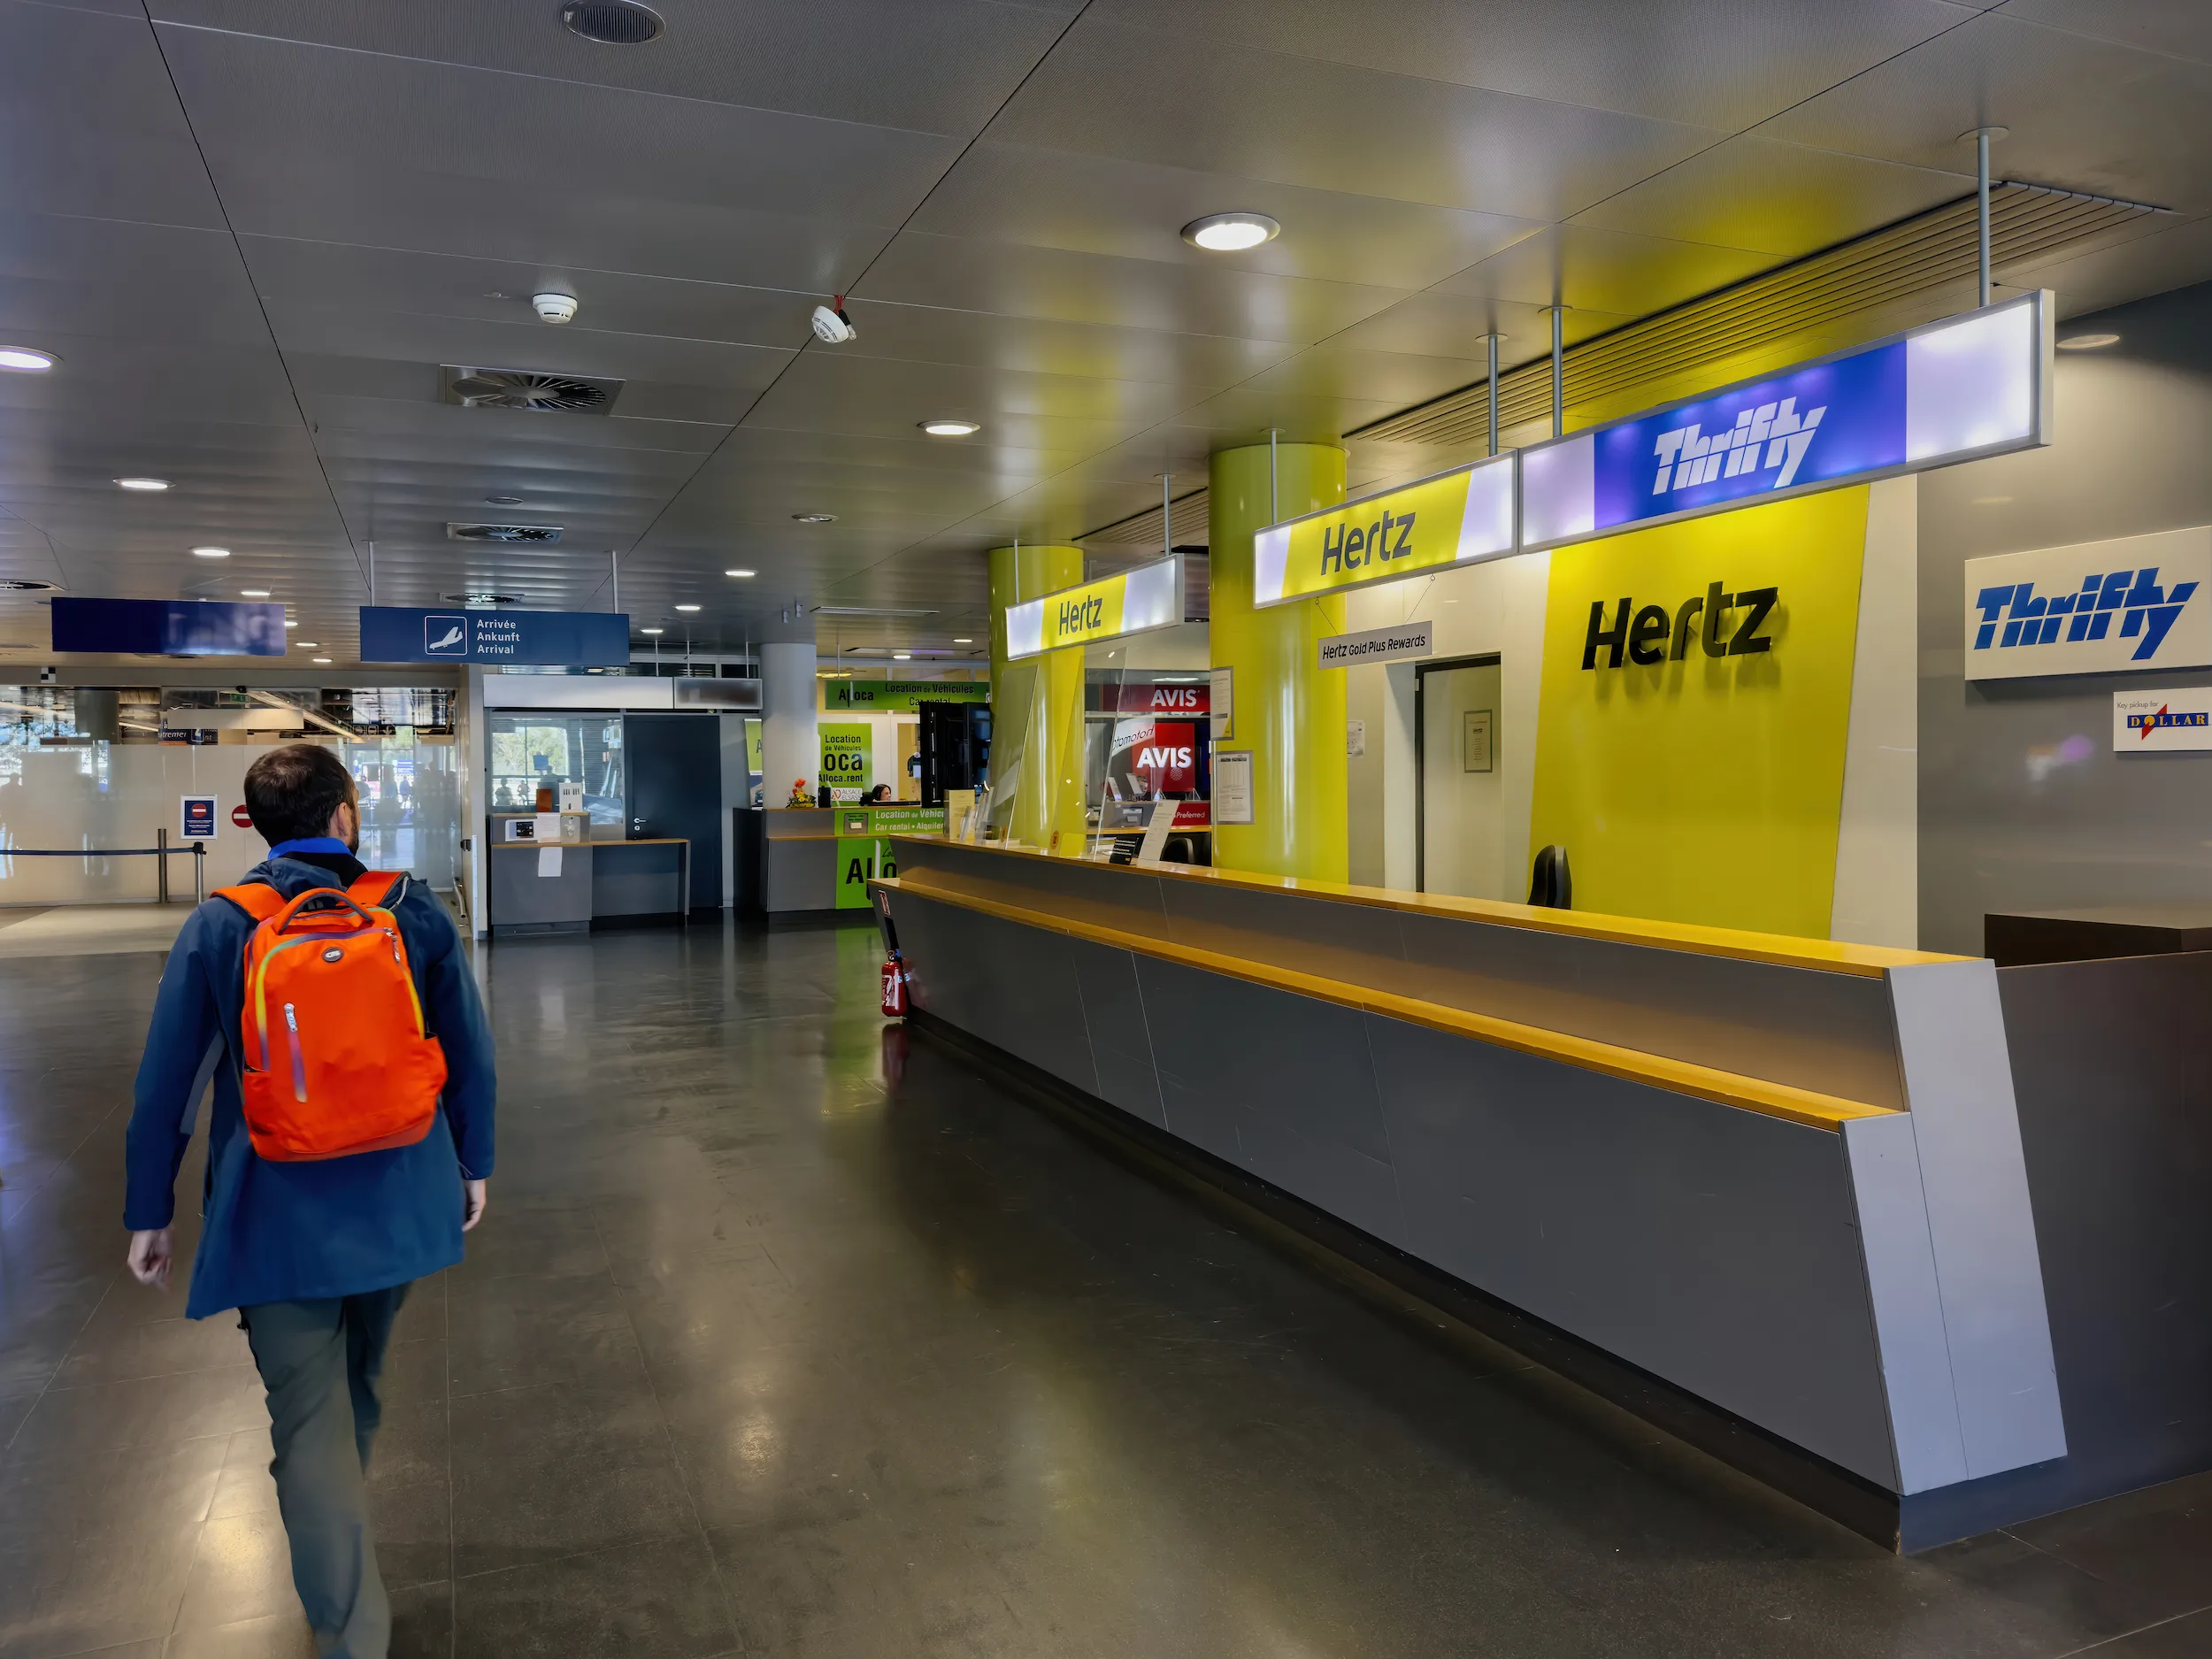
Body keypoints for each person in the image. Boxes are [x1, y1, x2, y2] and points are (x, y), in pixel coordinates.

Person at [124, 743, 495, 1659]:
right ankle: (339, 1565)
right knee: (356, 1389)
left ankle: (345, 1623)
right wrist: (472, 1162)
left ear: (254, 823)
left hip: (276, 1214)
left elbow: (168, 1084)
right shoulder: (408, 910)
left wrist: (150, 1208)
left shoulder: (224, 924)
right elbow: (467, 1050)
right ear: (345, 815)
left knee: (310, 1415)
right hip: (401, 1198)